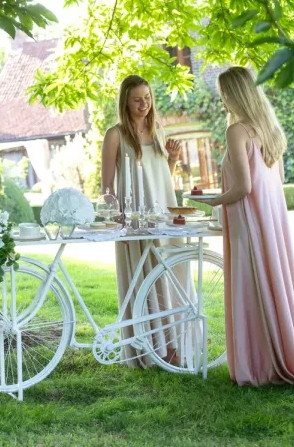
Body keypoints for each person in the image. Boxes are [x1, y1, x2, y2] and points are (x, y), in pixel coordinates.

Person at [195, 66, 294, 386]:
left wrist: (213, 201)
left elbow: (243, 187)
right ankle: (276, 355)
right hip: (272, 219)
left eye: (224, 93)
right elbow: (276, 180)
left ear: (234, 94)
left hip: (249, 220)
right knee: (271, 283)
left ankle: (258, 365)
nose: (222, 100)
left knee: (250, 289)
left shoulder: (237, 131)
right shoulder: (269, 129)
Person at [101, 74, 184, 368]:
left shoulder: (159, 131)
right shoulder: (116, 135)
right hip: (134, 218)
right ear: (125, 101)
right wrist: (116, 216)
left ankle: (173, 344)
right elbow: (107, 186)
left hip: (163, 215)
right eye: (137, 99)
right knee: (142, 277)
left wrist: (172, 159)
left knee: (167, 276)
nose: (144, 104)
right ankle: (148, 350)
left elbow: (161, 180)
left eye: (147, 97)